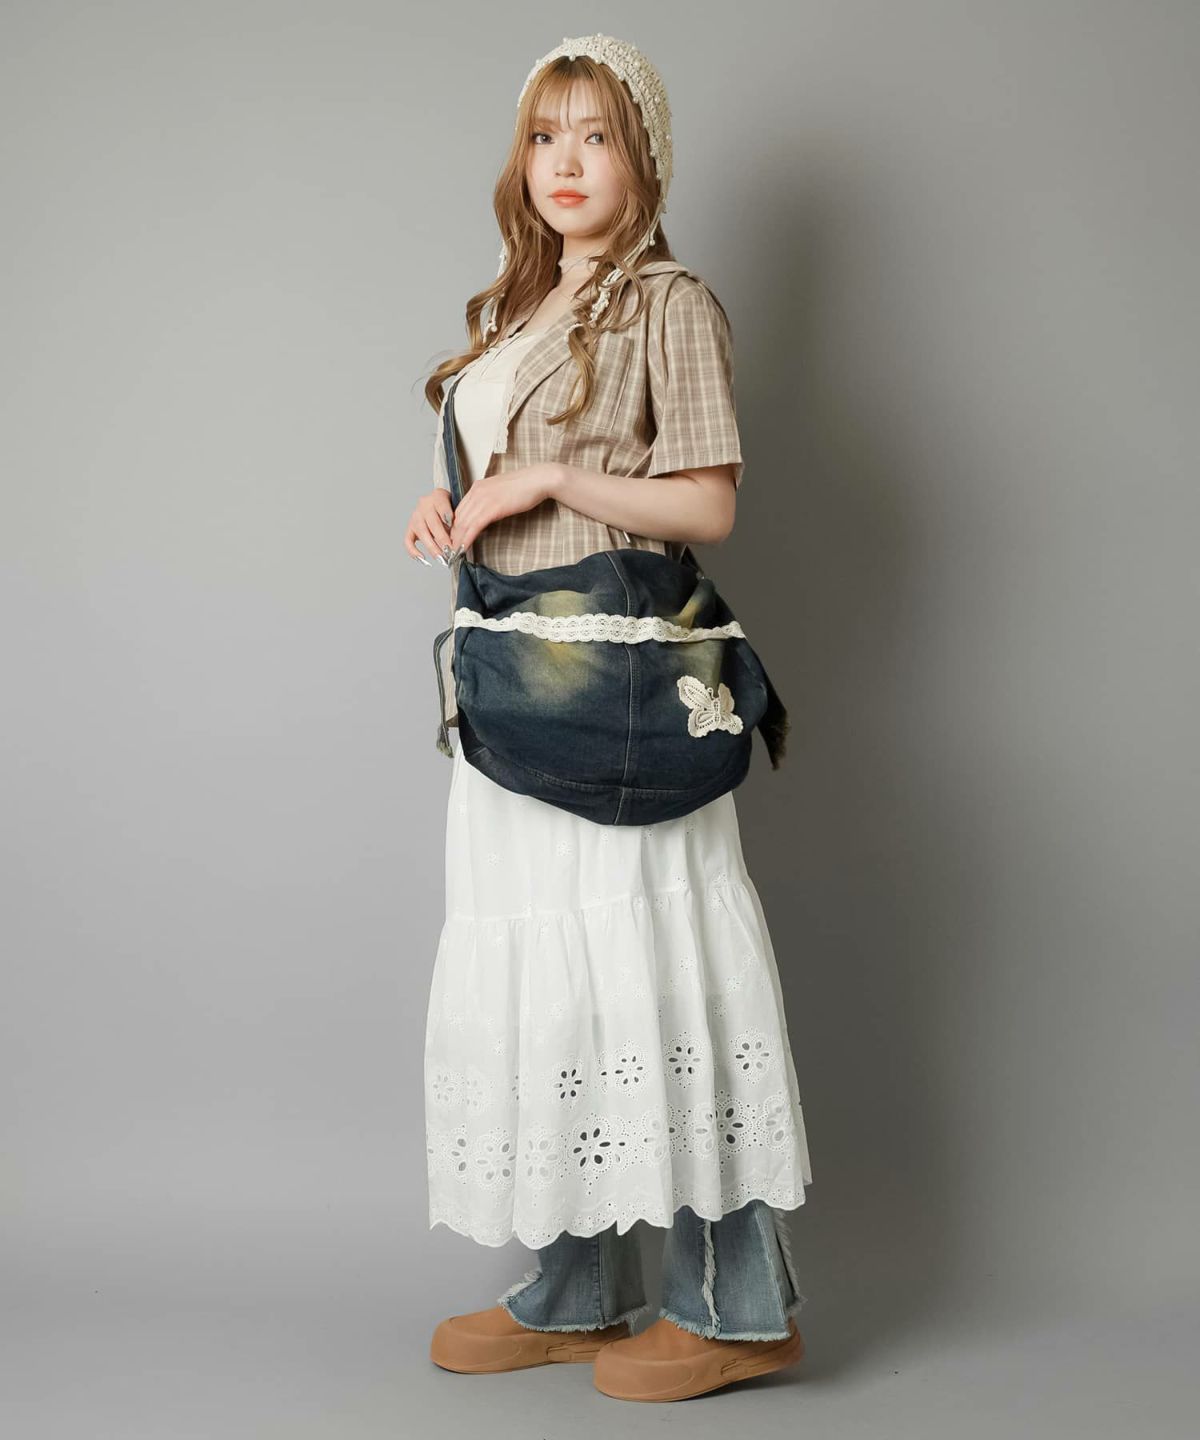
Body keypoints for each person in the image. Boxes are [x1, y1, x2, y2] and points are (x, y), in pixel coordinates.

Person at [406, 34, 814, 1403]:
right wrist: (454, 504)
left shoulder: (667, 303)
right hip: (514, 683)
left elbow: (707, 503)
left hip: (620, 693)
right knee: (555, 979)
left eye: (595, 136)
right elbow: (502, 475)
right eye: (544, 137)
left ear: (645, 158)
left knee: (648, 963)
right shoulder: (518, 312)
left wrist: (540, 486)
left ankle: (740, 1307)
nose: (565, 162)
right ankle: (579, 1291)